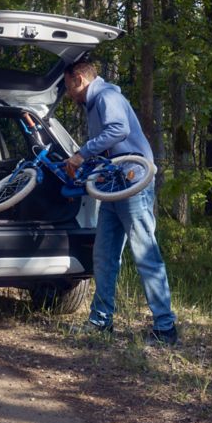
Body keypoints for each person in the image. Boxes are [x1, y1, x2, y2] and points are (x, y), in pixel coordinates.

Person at [63, 59, 178, 345]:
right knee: (104, 256)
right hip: (113, 185)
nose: (68, 94)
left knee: (145, 254)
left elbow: (118, 130)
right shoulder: (94, 103)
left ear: (78, 79)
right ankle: (100, 321)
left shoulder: (106, 96)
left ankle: (165, 328)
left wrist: (82, 153)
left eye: (67, 86)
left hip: (133, 182)